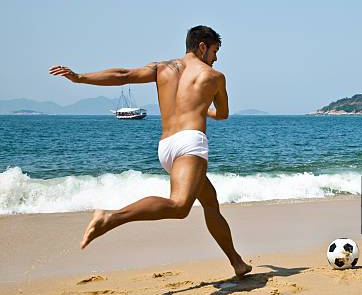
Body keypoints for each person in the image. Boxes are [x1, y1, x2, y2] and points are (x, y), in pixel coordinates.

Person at [49, 25, 252, 278]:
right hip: (190, 144)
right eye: (214, 51)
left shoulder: (162, 68)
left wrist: (79, 78)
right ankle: (110, 218)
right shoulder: (214, 76)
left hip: (166, 147)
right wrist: (203, 110)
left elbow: (122, 75)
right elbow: (222, 114)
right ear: (202, 46)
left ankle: (237, 263)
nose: (215, 57)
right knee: (179, 206)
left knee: (210, 202)